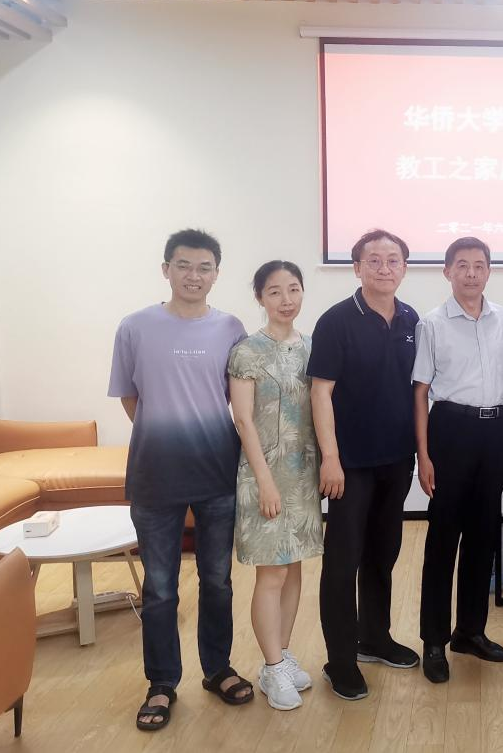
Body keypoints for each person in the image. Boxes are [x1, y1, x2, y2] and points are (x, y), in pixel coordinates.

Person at [108, 228, 252, 732]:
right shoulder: (135, 327)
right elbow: (131, 399)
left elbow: (236, 399)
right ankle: (162, 682)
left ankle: (218, 669)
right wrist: (164, 433)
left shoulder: (231, 328)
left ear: (216, 273)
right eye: (184, 265)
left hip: (217, 471)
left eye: (204, 267)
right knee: (160, 588)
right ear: (166, 269)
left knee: (217, 581)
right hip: (155, 474)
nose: (194, 275)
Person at [308, 229, 420, 701]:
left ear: (404, 268)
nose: (384, 268)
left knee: (383, 552)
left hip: (396, 459)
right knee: (343, 561)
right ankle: (340, 660)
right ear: (357, 268)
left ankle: (375, 637)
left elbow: (416, 389)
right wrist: (330, 458)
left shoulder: (411, 318)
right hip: (349, 464)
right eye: (373, 260)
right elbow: (320, 392)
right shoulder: (335, 321)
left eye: (393, 260)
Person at [413, 237, 503, 684]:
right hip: (451, 431)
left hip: (494, 432)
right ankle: (434, 641)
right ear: (447, 271)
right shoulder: (432, 323)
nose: (471, 273)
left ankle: (470, 632)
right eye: (462, 265)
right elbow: (421, 391)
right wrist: (423, 454)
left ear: (489, 271)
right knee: (443, 539)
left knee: (483, 537)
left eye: (479, 265)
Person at [228, 261, 323, 709]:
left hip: (302, 474)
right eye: (275, 292)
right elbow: (243, 421)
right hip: (262, 474)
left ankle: (281, 658)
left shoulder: (312, 347)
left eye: (294, 289)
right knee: (272, 572)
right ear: (260, 298)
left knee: (294, 567)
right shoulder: (247, 351)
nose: (286, 300)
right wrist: (265, 483)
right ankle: (270, 665)